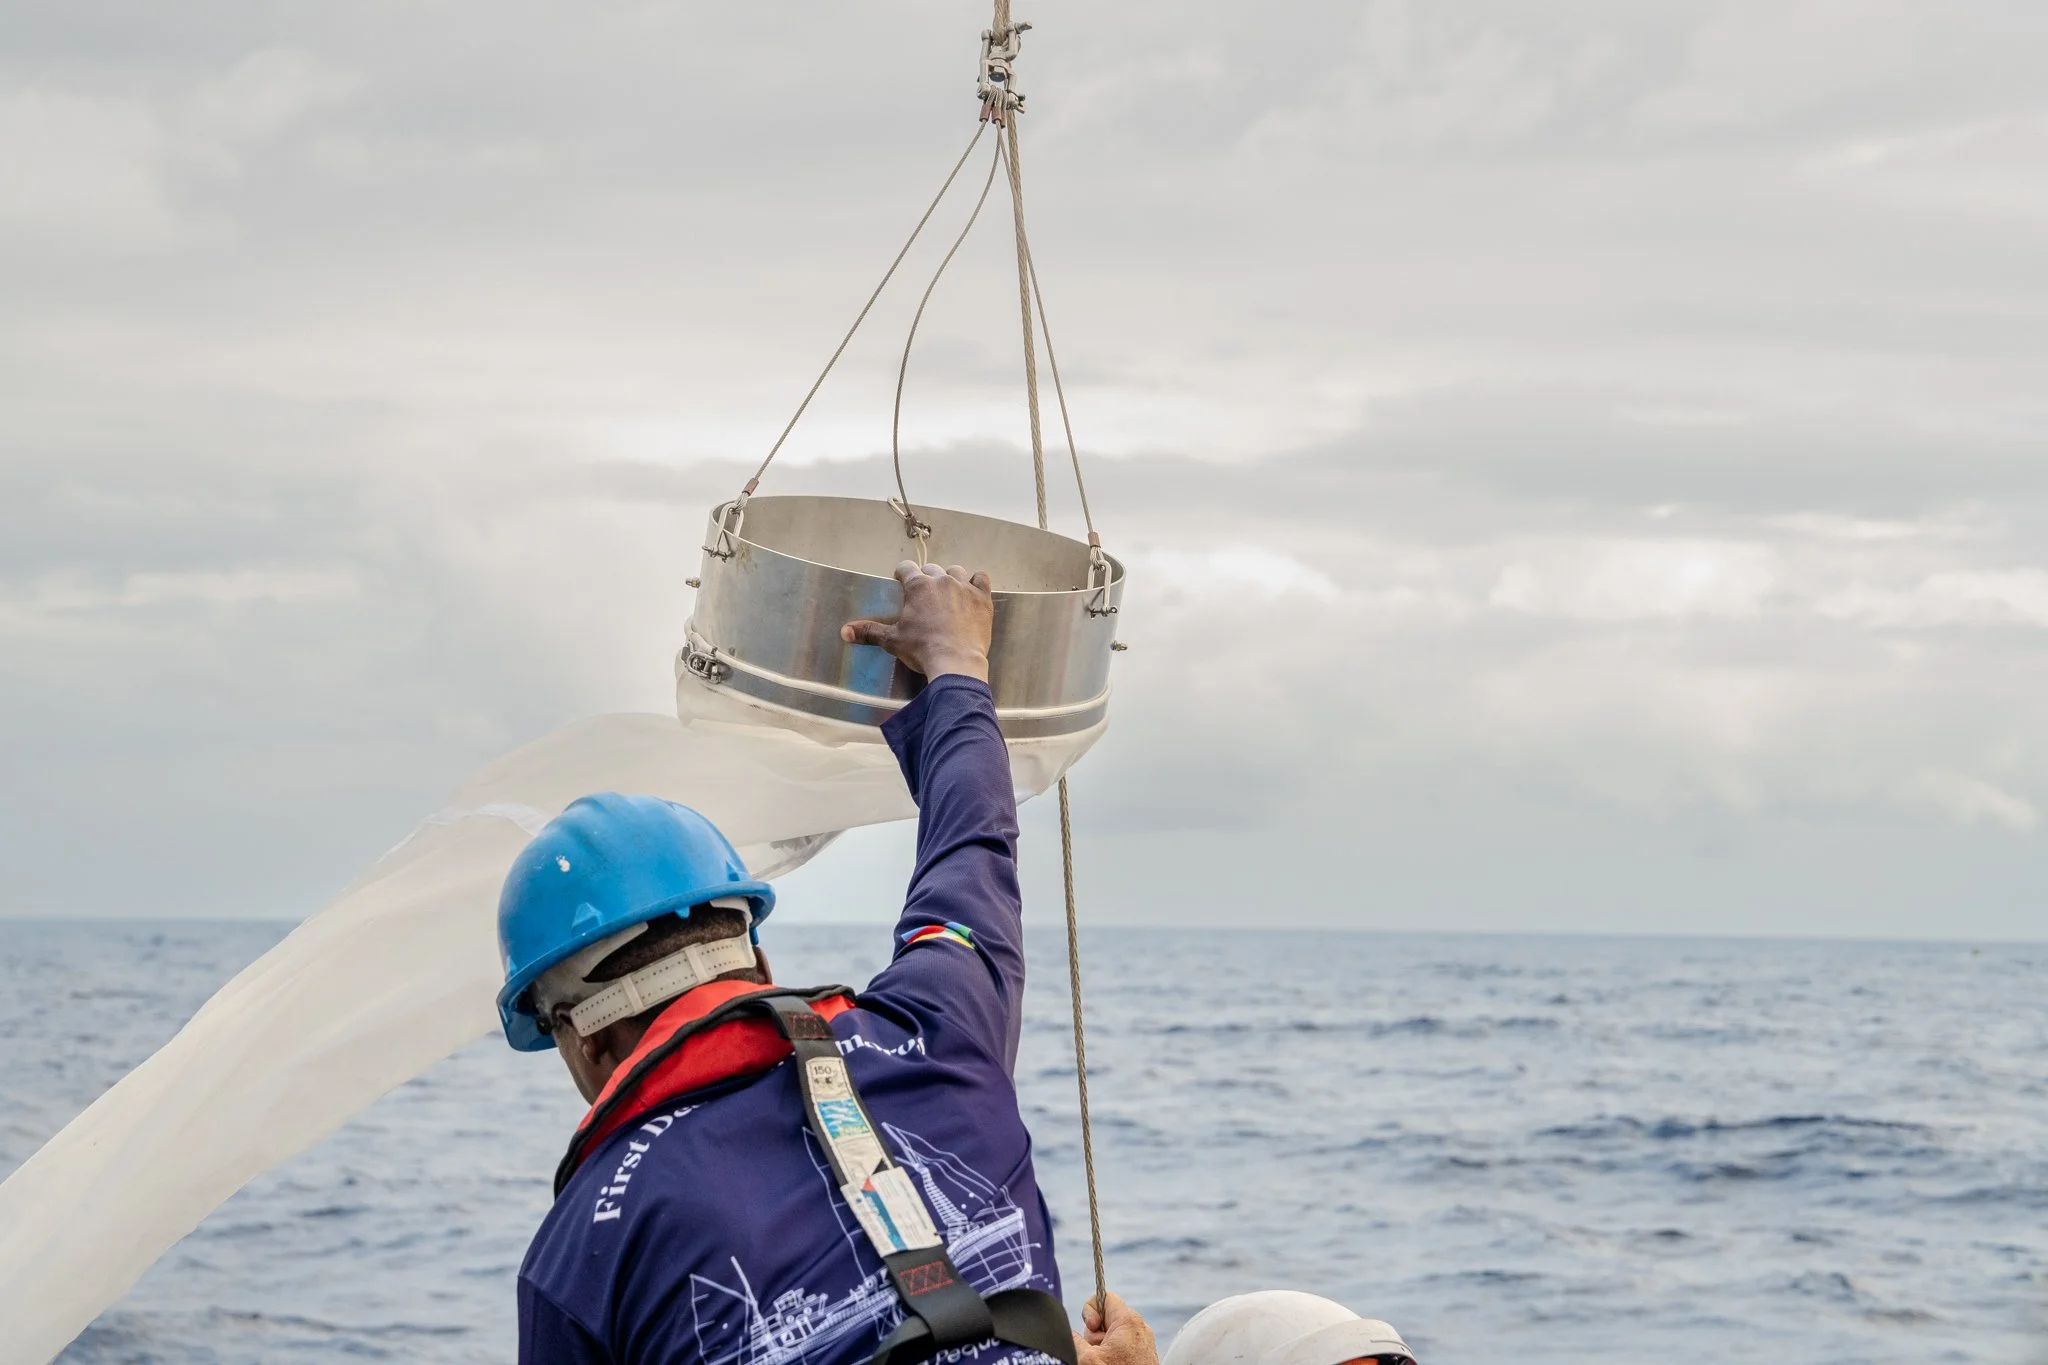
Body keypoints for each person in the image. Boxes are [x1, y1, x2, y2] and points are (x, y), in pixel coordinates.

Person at [497, 559, 1083, 1365]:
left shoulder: (582, 1255)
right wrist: (956, 665)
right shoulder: (937, 1028)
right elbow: (971, 853)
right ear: (755, 959)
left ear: (583, 1040)